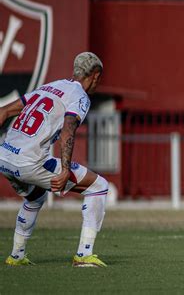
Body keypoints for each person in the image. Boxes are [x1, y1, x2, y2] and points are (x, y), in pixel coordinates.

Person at [0, 52, 109, 267]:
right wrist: (65, 169)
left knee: (35, 196)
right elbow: (68, 130)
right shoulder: (79, 95)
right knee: (98, 186)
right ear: (95, 76)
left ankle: (16, 256)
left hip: (4, 157)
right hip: (30, 162)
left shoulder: (50, 87)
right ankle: (84, 254)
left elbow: (3, 111)